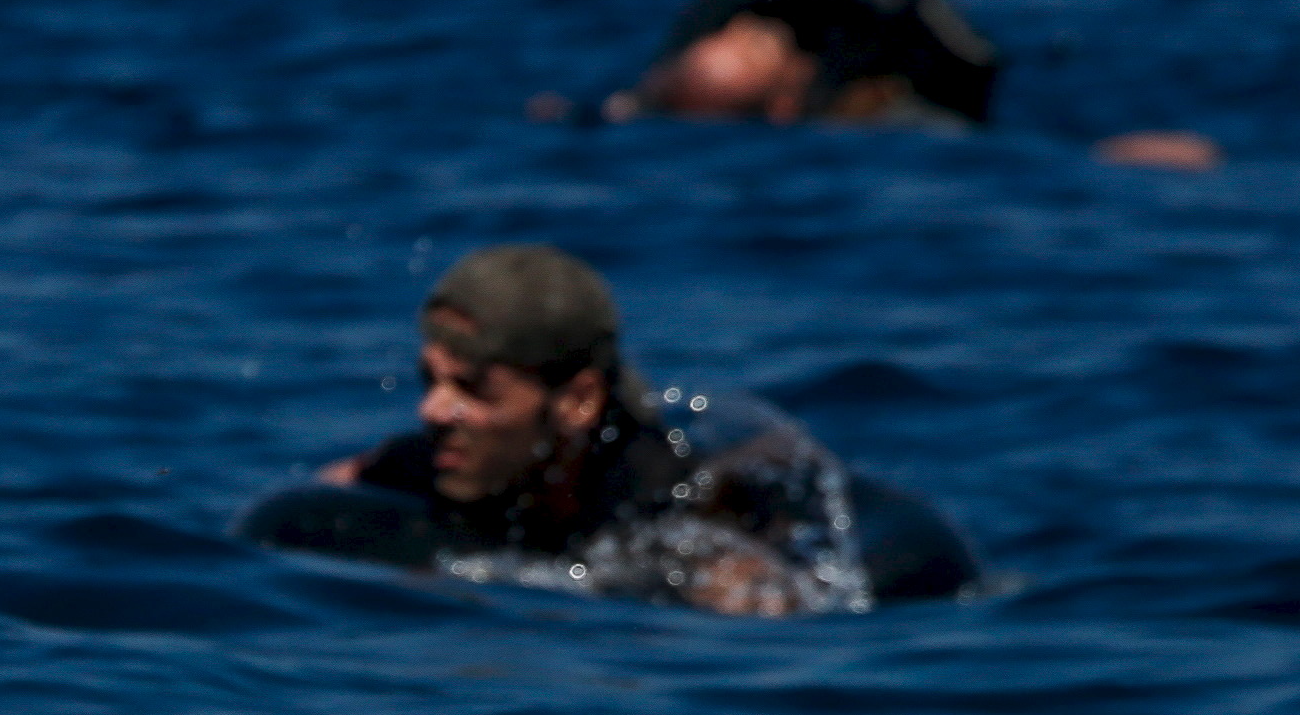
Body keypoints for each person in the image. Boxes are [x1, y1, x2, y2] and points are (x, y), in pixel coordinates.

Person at [248, 242, 978, 614]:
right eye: (429, 381)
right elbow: (312, 512)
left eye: (470, 388)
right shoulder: (424, 460)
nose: (434, 411)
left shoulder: (665, 496)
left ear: (574, 401)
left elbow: (766, 609)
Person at [528, 0, 1221, 170]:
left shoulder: (864, 120)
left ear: (786, 97)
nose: (740, 33)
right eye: (732, 36)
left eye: (758, 40)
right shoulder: (638, 124)